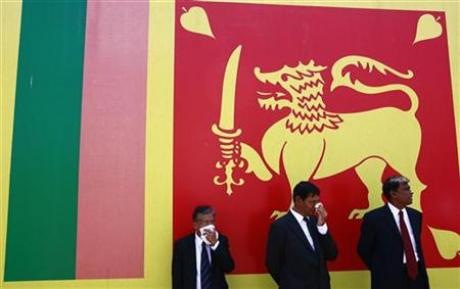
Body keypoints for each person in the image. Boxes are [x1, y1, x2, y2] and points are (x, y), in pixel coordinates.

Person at [358, 176, 430, 289]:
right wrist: (381, 269)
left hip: (417, 276)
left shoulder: (416, 216)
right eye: (406, 189)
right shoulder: (374, 218)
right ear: (393, 194)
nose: (411, 192)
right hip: (388, 279)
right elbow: (364, 249)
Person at [266, 181, 338, 289]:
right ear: (298, 200)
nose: (316, 207)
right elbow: (272, 263)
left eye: (318, 202)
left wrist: (322, 226)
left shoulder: (316, 222)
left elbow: (332, 254)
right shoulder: (281, 227)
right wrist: (289, 284)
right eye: (312, 202)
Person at [172, 205, 235, 289]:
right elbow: (177, 277)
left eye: (212, 222)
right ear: (195, 225)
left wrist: (215, 245)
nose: (210, 226)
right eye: (206, 222)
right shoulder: (182, 245)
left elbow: (229, 267)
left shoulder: (221, 240)